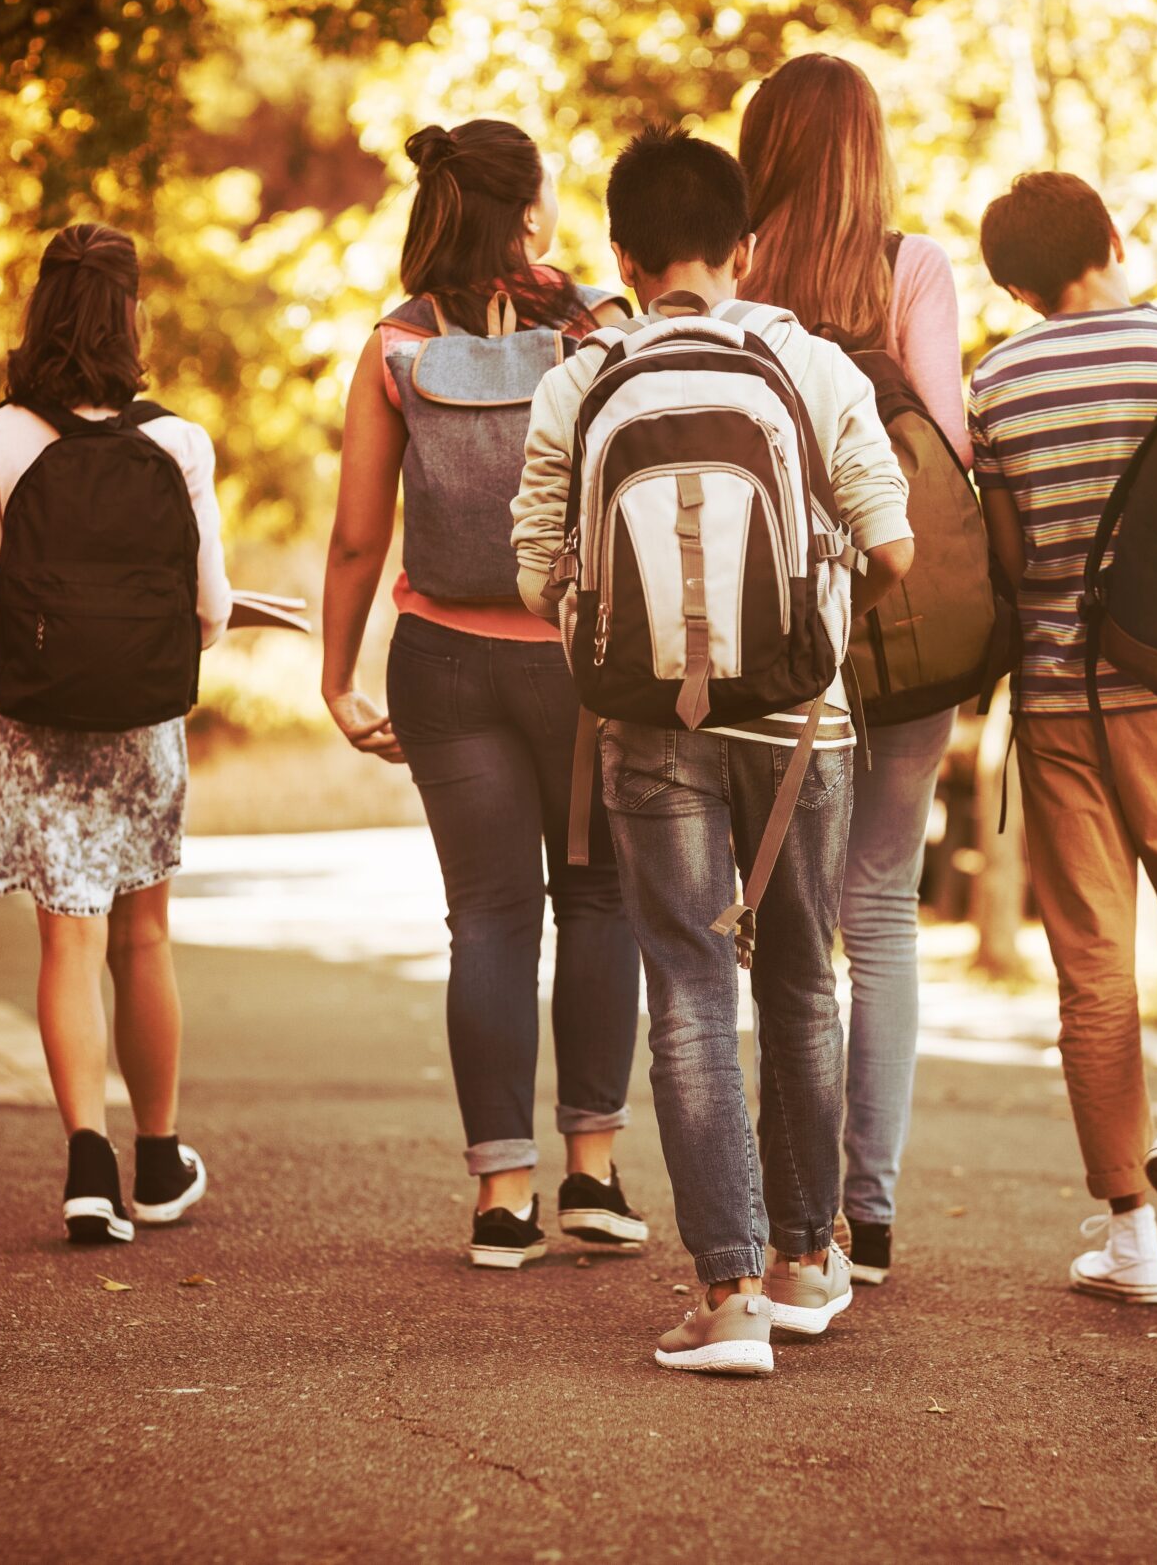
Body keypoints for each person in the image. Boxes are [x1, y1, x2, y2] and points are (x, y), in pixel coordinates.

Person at [512, 125, 915, 1375]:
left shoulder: (583, 376)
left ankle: (727, 1292)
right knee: (801, 976)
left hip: (645, 725)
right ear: (746, 248)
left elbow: (536, 577)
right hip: (803, 723)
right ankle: (806, 1261)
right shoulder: (810, 364)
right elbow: (893, 544)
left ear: (622, 256)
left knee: (688, 985)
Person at [320, 117, 650, 1269]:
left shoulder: (393, 344)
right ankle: (594, 1178)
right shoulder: (601, 327)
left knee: (489, 919)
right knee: (599, 900)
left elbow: (360, 538)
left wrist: (334, 673)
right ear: (527, 213)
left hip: (441, 662)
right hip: (582, 662)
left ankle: (500, 1198)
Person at [968, 172, 1157, 1303]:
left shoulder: (995, 379)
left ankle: (1130, 1236)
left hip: (1055, 705)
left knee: (1092, 972)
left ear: (1012, 284)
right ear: (1111, 236)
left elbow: (1005, 561)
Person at [0, 222, 230, 1245]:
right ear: (130, 315)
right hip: (140, 723)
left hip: (37, 723)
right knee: (142, 936)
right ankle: (159, 1159)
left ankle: (85, 1166)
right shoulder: (178, 442)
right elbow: (210, 611)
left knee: (66, 943)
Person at [737, 52, 967, 1286]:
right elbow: (947, 440)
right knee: (879, 908)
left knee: (784, 917)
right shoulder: (910, 267)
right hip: (910, 627)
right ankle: (865, 1215)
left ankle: (792, 1209)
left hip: (773, 631)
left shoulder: (735, 272)